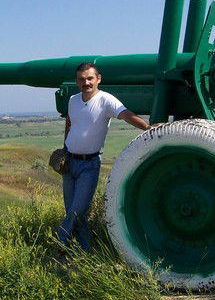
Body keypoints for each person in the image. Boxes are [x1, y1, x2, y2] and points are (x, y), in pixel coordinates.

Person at [58, 62, 153, 251]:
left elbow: (125, 114)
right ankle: (84, 249)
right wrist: (64, 150)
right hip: (69, 162)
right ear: (77, 81)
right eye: (82, 79)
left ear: (98, 79)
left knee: (77, 210)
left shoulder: (106, 100)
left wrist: (148, 127)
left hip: (89, 164)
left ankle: (60, 242)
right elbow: (70, 124)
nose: (86, 82)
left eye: (90, 78)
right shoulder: (73, 100)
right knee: (74, 211)